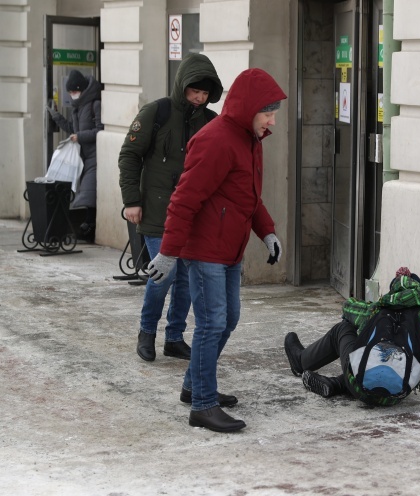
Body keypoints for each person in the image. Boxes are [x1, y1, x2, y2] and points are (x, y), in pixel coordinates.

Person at [147, 68, 287, 433]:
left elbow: (247, 197)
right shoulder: (217, 140)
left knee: (229, 319)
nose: (272, 120)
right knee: (212, 324)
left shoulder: (249, 140)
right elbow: (184, 199)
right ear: (247, 108)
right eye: (267, 112)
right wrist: (168, 251)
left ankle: (194, 385)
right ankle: (203, 405)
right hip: (205, 248)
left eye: (274, 112)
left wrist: (267, 232)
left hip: (229, 248)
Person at [118, 54, 223, 363]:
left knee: (186, 278)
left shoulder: (210, 121)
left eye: (205, 93)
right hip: (156, 210)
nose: (199, 98)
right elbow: (129, 155)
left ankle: (174, 337)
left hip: (193, 213)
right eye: (194, 91)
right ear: (182, 87)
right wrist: (131, 201)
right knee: (165, 272)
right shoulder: (157, 112)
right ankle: (147, 331)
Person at [284, 267, 420, 410]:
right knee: (389, 361)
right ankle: (334, 385)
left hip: (359, 386)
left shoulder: (378, 309)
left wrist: (381, 306)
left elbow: (348, 307)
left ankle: (300, 361)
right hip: (396, 394)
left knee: (343, 329)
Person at [46, 69, 103, 241]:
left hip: (94, 155)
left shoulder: (95, 104)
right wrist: (55, 116)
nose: (72, 95)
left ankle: (89, 225)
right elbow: (73, 128)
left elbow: (100, 131)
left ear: (82, 89)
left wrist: (81, 137)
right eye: (70, 92)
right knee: (82, 191)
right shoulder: (77, 108)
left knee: (87, 193)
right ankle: (86, 226)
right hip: (81, 157)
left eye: (74, 91)